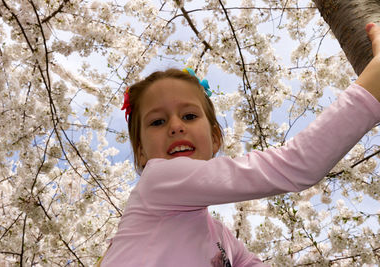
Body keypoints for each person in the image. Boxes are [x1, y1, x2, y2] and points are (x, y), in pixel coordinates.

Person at [98, 23, 380, 266]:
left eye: (189, 116)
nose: (175, 126)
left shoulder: (222, 239)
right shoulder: (158, 180)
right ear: (141, 152)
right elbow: (295, 166)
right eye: (157, 122)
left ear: (216, 137)